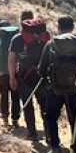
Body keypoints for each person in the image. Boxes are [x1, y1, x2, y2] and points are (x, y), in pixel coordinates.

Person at [38, 15, 76, 153]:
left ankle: (55, 146)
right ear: (72, 27)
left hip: (55, 89)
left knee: (50, 117)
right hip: (75, 88)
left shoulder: (50, 44)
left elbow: (41, 69)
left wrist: (50, 81)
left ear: (58, 27)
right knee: (75, 119)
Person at [8, 11, 49, 141]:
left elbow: (11, 60)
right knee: (44, 105)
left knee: (27, 104)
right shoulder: (44, 36)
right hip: (42, 77)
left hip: (24, 77)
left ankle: (32, 133)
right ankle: (49, 134)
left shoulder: (18, 38)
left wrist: (12, 77)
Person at [0, 19, 21, 127]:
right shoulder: (16, 41)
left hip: (1, 73)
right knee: (15, 96)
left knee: (4, 95)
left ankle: (5, 118)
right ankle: (15, 119)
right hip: (15, 72)